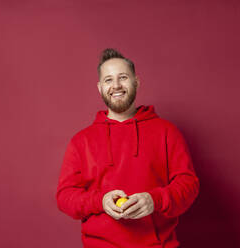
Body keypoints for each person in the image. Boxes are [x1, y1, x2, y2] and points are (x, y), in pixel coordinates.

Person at [55, 48, 200, 248]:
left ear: (136, 82)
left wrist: (155, 199)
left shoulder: (167, 132)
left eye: (123, 77)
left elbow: (188, 185)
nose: (116, 85)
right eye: (108, 80)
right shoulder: (81, 141)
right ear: (99, 87)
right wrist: (100, 201)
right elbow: (65, 197)